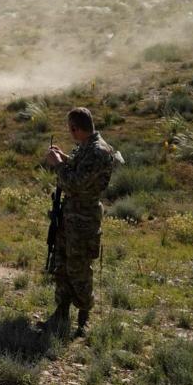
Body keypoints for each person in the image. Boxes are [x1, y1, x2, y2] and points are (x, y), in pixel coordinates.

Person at [44, 107, 121, 336]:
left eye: (70, 129)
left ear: (76, 128)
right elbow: (79, 168)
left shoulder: (98, 151)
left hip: (83, 219)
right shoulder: (87, 147)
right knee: (62, 264)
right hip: (70, 215)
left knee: (79, 268)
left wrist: (57, 164)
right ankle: (61, 312)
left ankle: (83, 316)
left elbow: (74, 183)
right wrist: (64, 157)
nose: (69, 132)